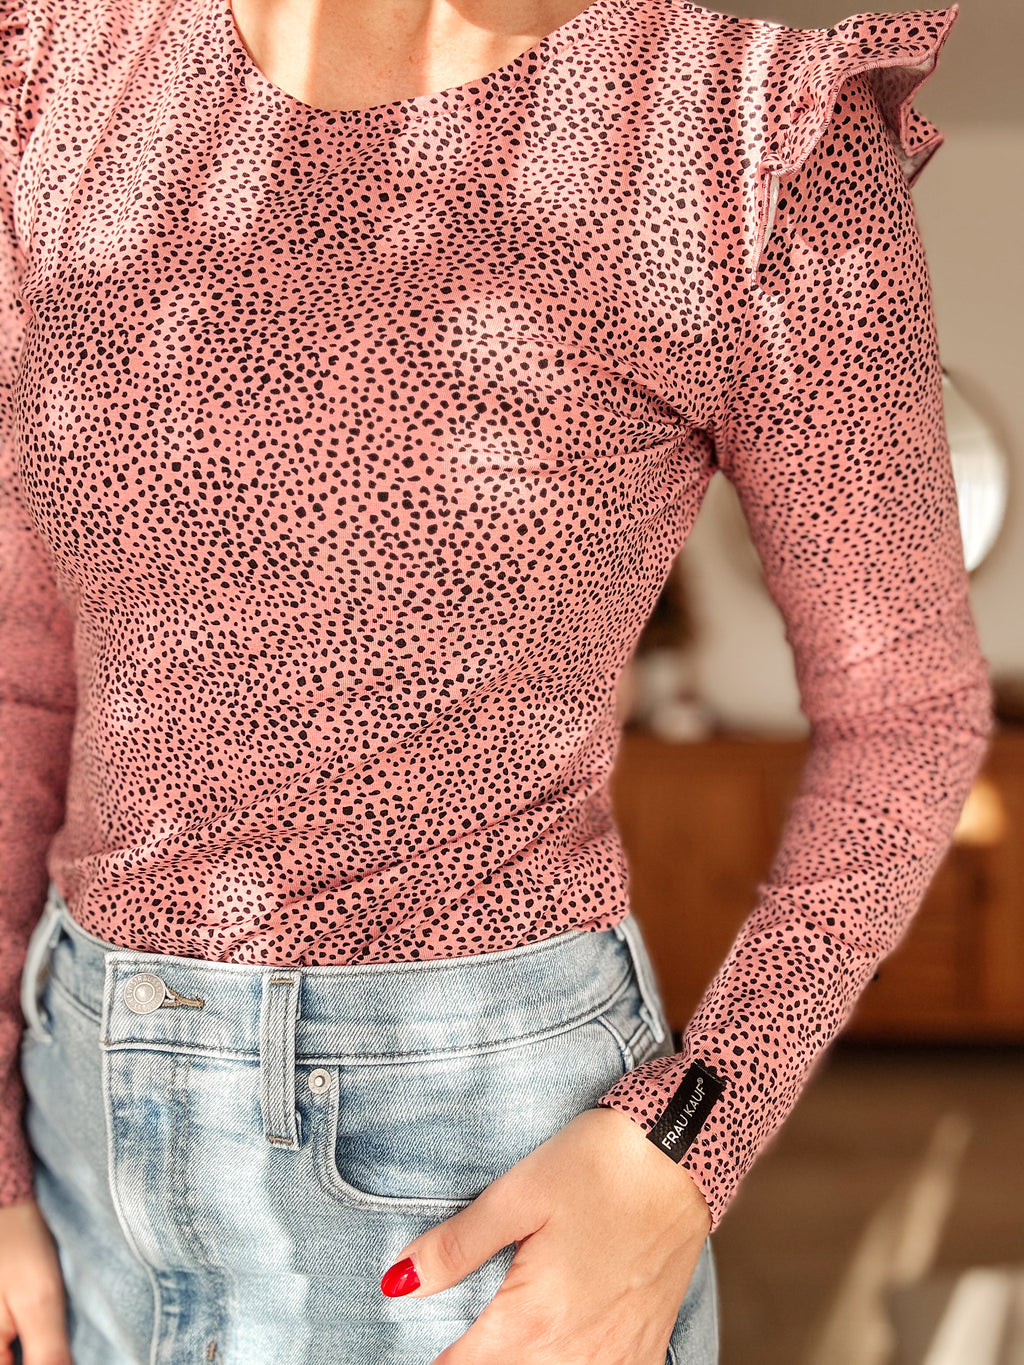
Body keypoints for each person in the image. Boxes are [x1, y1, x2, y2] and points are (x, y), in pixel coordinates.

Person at [0, 0, 993, 1358]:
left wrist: (685, 1144)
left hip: (484, 1164)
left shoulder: (746, 138)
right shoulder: (57, 74)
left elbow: (908, 712)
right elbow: (26, 683)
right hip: (82, 1145)